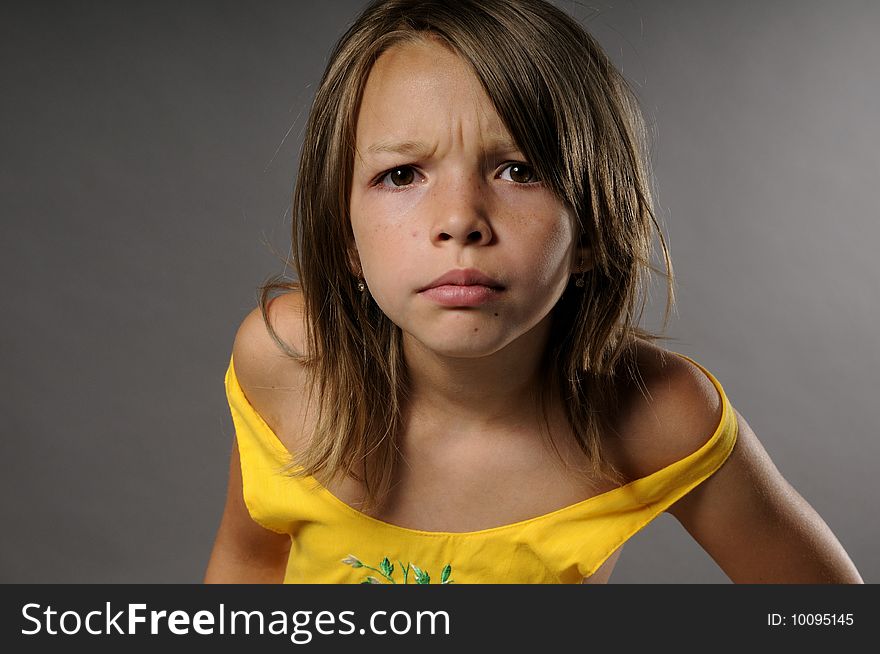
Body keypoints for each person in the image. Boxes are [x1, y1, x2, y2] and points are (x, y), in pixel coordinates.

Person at [204, 0, 863, 584]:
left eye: (519, 170)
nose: (459, 218)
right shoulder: (286, 361)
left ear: (593, 230)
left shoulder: (657, 413)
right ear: (345, 237)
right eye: (401, 174)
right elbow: (249, 563)